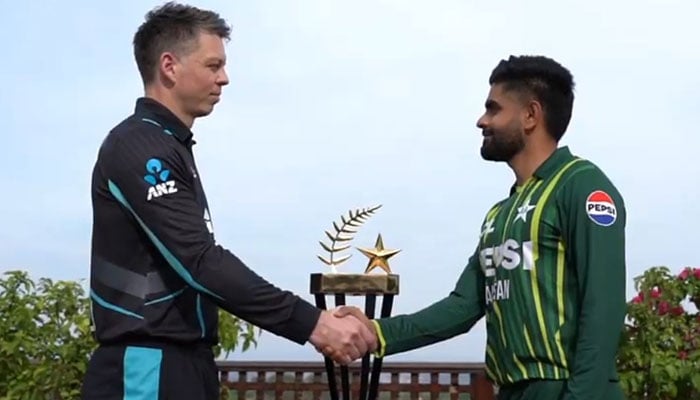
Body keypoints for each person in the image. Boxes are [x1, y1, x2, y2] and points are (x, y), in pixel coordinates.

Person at [81, 3, 375, 399]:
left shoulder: (169, 145)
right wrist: (314, 324)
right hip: (147, 367)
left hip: (186, 364)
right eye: (213, 65)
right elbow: (200, 262)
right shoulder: (140, 145)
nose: (225, 79)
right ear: (169, 66)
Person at [335, 55, 627, 400]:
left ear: (530, 115)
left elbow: (603, 308)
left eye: (493, 109)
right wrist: (377, 332)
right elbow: (462, 306)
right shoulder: (499, 215)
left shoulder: (583, 186)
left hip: (566, 388)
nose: (481, 120)